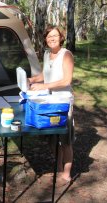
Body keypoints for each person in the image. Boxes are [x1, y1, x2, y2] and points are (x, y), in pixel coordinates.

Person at [28, 25, 74, 186]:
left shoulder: (66, 54)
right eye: (49, 36)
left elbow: (66, 80)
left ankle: (66, 174)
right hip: (48, 101)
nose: (52, 39)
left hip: (63, 102)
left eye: (55, 36)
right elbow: (45, 74)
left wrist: (44, 86)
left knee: (65, 140)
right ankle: (59, 168)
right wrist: (32, 80)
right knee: (52, 139)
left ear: (61, 37)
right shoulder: (47, 54)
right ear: (45, 39)